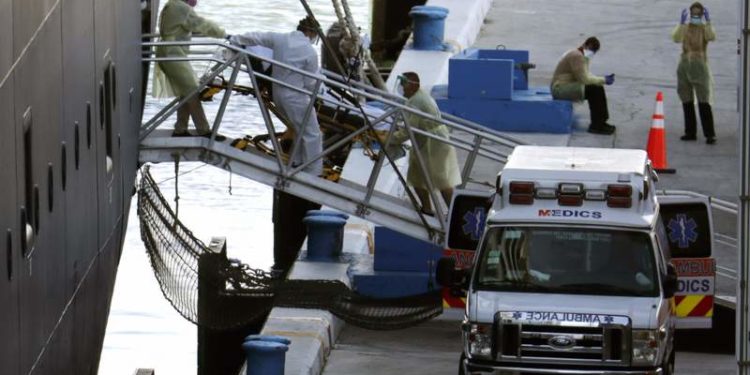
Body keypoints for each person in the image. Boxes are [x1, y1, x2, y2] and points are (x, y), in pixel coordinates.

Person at [229, 16, 324, 175]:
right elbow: (310, 82)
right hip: (295, 97)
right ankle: (314, 172)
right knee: (312, 133)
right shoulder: (309, 52)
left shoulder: (281, 39)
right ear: (311, 33)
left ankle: (297, 161)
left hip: (278, 94)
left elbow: (256, 37)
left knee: (297, 128)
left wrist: (234, 39)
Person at [390, 72, 461, 216]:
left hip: (434, 144)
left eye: (404, 86)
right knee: (417, 177)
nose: (402, 89)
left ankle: (455, 214)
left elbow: (408, 130)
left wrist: (391, 138)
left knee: (442, 181)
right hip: (428, 142)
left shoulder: (416, 101)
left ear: (411, 86)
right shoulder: (418, 97)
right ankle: (427, 209)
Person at [153, 0, 227, 139]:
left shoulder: (172, 4)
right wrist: (223, 34)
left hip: (168, 51)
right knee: (192, 90)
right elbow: (201, 24)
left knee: (185, 91)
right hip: (172, 53)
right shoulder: (182, 8)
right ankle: (204, 130)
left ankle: (180, 129)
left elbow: (188, 25)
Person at [551, 37, 616, 135]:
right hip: (560, 89)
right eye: (591, 49)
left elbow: (586, 74)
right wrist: (603, 80)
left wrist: (601, 80)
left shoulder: (581, 55)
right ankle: (597, 125)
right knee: (594, 90)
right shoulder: (577, 56)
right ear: (585, 45)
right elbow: (584, 79)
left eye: (594, 51)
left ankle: (600, 122)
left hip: (566, 86)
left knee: (596, 87)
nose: (592, 52)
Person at [673, 2, 716, 144]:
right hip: (685, 65)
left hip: (700, 65)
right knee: (686, 99)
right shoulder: (685, 28)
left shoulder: (704, 29)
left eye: (698, 15)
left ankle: (710, 134)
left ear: (702, 15)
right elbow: (676, 38)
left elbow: (711, 37)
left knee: (704, 100)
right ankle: (690, 132)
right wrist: (681, 24)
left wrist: (709, 22)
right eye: (693, 15)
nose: (695, 17)